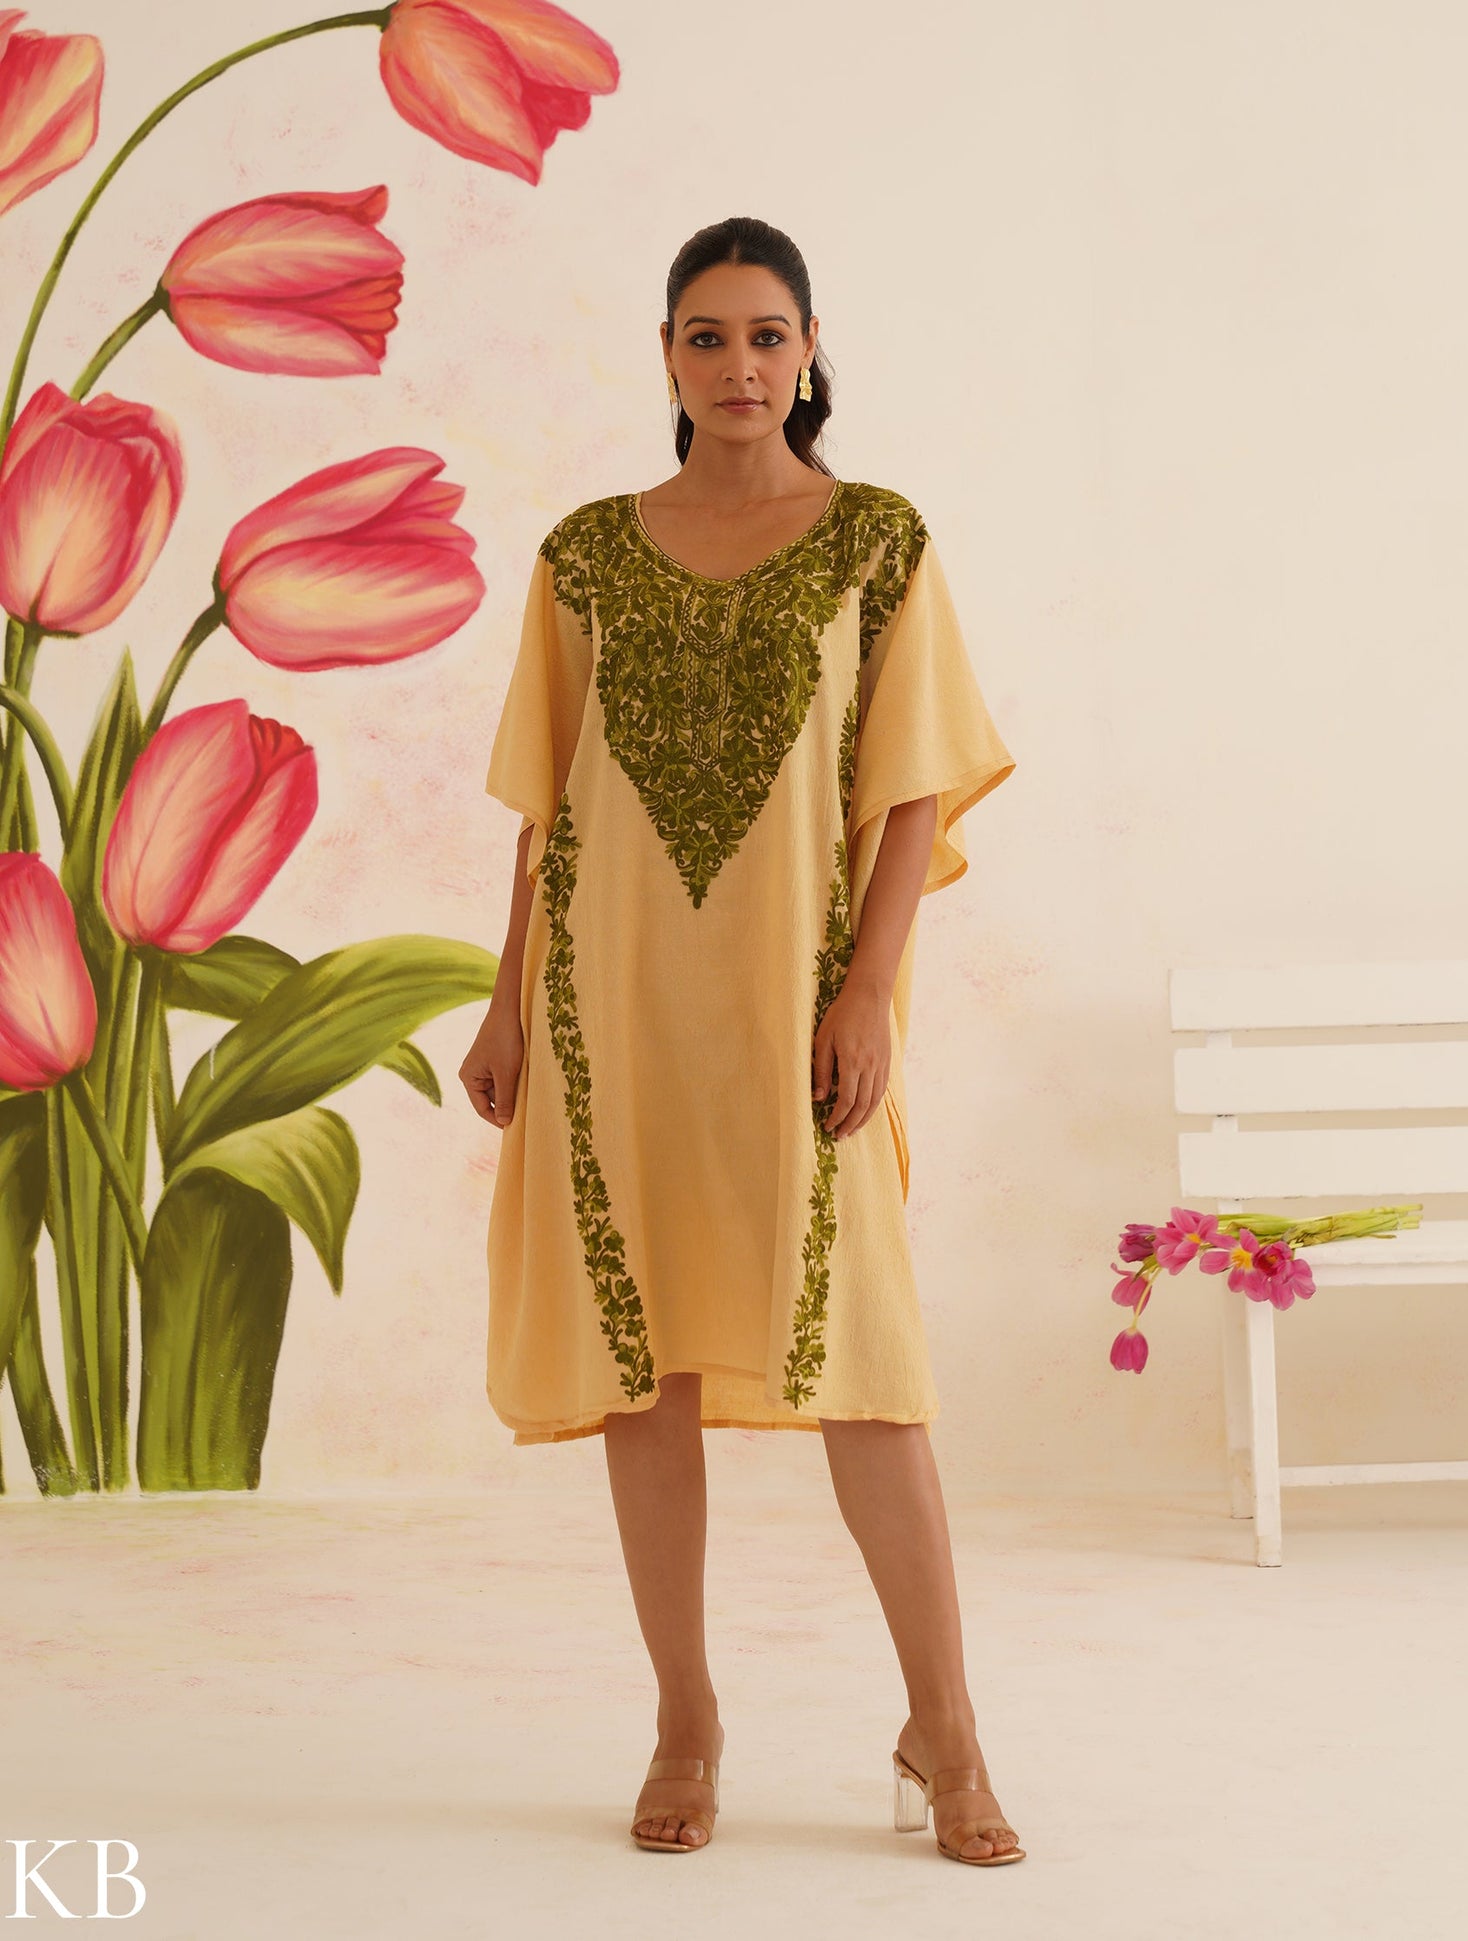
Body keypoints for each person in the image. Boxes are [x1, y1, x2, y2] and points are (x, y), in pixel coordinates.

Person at [459, 216, 1023, 1866]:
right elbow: (548, 805)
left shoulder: (877, 542)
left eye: (766, 335)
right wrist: (505, 998)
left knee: (870, 1374)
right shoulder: (583, 556)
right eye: (704, 337)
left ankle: (946, 1727)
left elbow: (912, 788)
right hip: (611, 1008)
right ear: (666, 356)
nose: (738, 366)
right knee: (648, 1368)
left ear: (810, 348)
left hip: (798, 1007)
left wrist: (868, 987)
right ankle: (685, 1716)